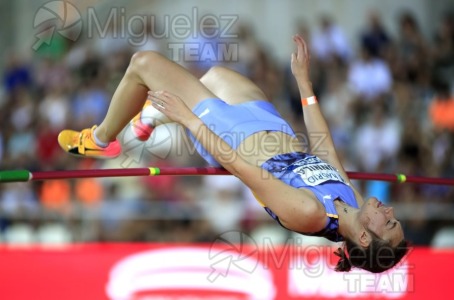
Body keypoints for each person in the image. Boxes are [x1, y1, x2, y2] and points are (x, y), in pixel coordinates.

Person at [58, 35, 409, 273]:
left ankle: (101, 139)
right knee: (216, 75)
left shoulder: (309, 212)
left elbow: (238, 167)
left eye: (389, 223)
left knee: (143, 63)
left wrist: (190, 120)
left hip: (231, 135)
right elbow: (325, 148)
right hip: (270, 123)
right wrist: (304, 84)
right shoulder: (353, 200)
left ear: (364, 238)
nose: (389, 211)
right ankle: (150, 116)